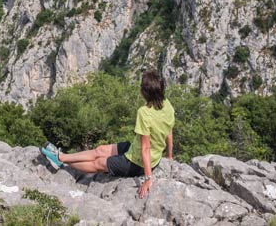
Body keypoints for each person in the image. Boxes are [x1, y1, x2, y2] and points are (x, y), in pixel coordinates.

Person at [40, 70, 175, 199]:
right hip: (136, 150)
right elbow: (169, 131)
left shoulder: (144, 112)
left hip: (137, 163)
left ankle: (61, 160)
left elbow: (146, 148)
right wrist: (169, 156)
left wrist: (148, 178)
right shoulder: (167, 104)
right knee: (100, 150)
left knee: (98, 163)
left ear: (144, 92)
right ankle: (62, 156)